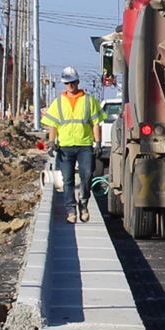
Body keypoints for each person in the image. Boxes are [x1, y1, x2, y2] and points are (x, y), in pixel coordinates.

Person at [41, 66, 102, 223]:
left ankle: (84, 203)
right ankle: (71, 210)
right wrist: (51, 142)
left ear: (78, 82)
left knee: (87, 175)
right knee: (67, 180)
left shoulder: (89, 101)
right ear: (64, 84)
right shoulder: (58, 103)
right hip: (65, 147)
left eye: (73, 82)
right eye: (68, 83)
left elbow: (96, 123)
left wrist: (98, 143)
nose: (71, 86)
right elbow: (52, 125)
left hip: (84, 146)